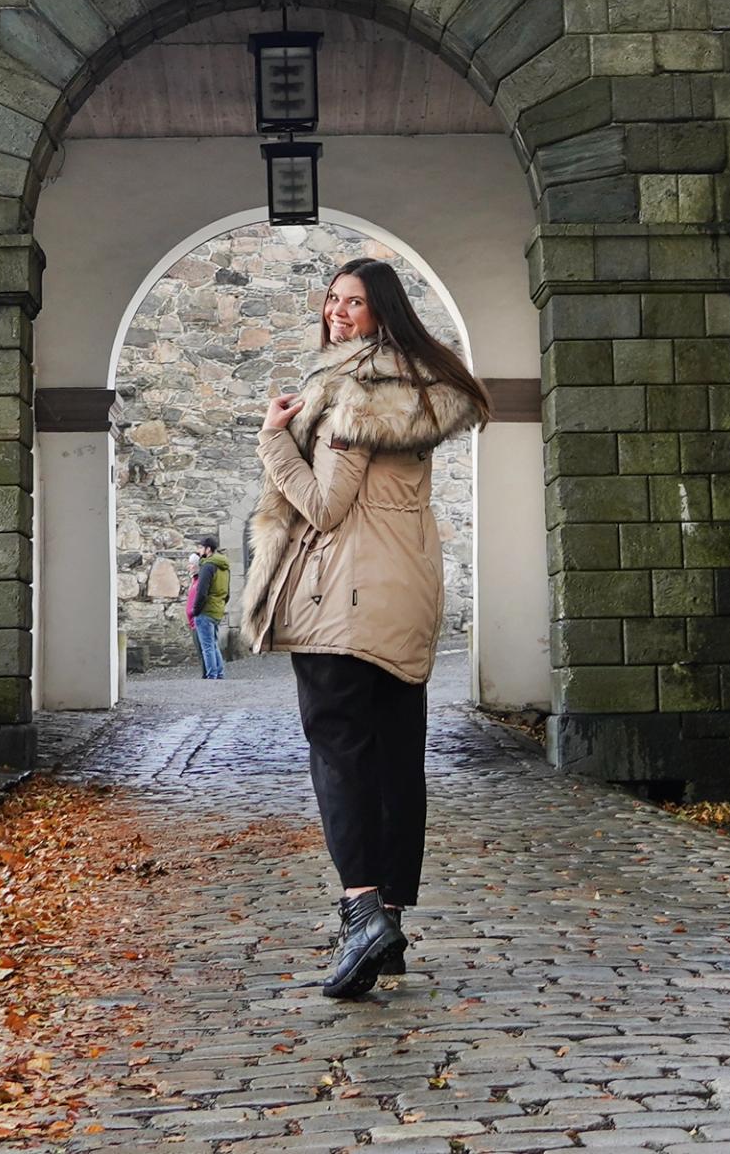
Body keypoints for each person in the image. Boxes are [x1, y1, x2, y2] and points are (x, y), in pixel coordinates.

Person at [238, 254, 487, 1001]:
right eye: (332, 301)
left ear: (381, 313)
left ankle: (361, 913)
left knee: (341, 753)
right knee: (395, 758)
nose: (337, 313)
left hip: (339, 599)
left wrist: (274, 440)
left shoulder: (353, 391)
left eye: (353, 304)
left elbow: (324, 506)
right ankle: (393, 925)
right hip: (403, 595)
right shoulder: (420, 385)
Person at [185, 532, 234, 678]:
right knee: (213, 644)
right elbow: (227, 592)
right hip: (217, 610)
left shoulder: (207, 566)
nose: (199, 551)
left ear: (208, 549)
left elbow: (202, 592)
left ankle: (212, 675)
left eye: (201, 548)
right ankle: (219, 673)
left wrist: (195, 611)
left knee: (207, 647)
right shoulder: (224, 567)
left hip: (205, 611)